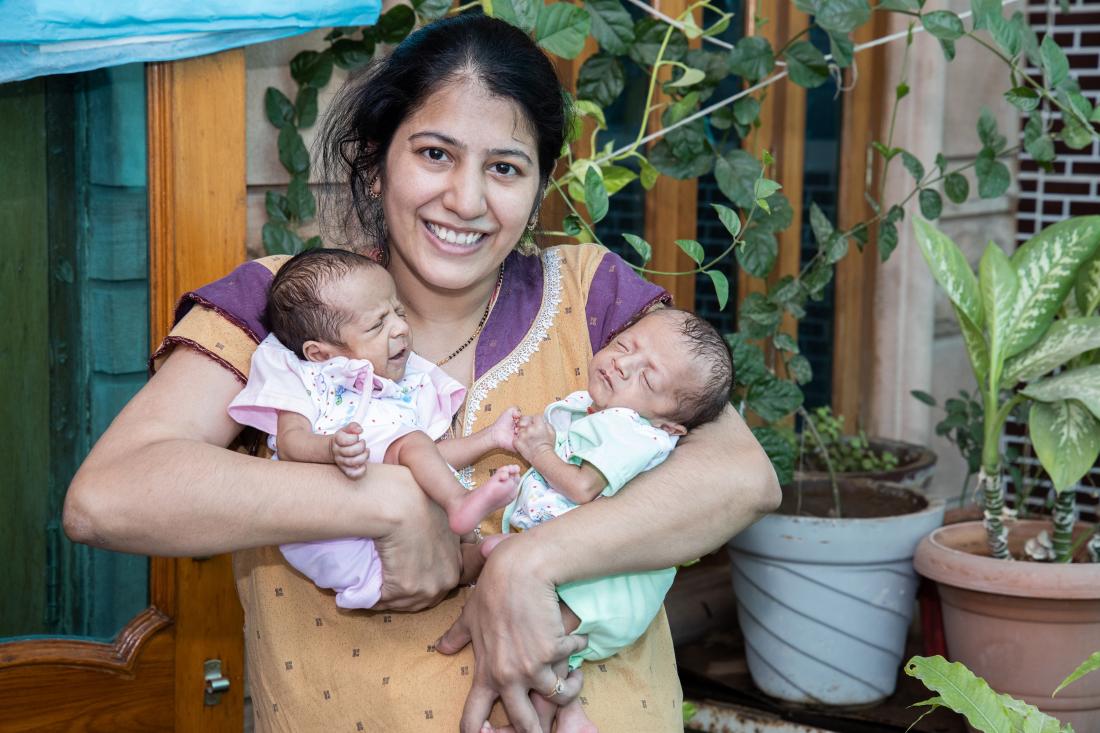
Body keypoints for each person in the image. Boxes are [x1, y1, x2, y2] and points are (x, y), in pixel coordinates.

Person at [62, 13, 780, 732]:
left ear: (537, 186)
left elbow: (742, 476)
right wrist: (385, 501)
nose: (466, 200)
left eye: (504, 167)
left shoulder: (596, 299)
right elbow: (108, 495)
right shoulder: (287, 308)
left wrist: (523, 564)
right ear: (375, 163)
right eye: (435, 153)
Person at [227, 247, 521, 609]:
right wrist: (330, 449)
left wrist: (490, 438)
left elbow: (427, 458)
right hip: (334, 533)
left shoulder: (392, 392)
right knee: (415, 451)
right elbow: (290, 443)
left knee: (448, 534)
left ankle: (484, 556)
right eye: (377, 324)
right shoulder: (306, 375)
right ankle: (459, 502)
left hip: (405, 543)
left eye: (398, 311)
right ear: (320, 353)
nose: (400, 327)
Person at [485, 307, 733, 733]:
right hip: (580, 573)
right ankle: (570, 717)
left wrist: (538, 450)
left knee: (543, 643)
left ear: (671, 425)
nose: (622, 363)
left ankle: (536, 723)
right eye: (624, 345)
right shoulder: (604, 412)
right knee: (545, 641)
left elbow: (582, 487)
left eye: (647, 378)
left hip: (600, 590)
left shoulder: (633, 431)